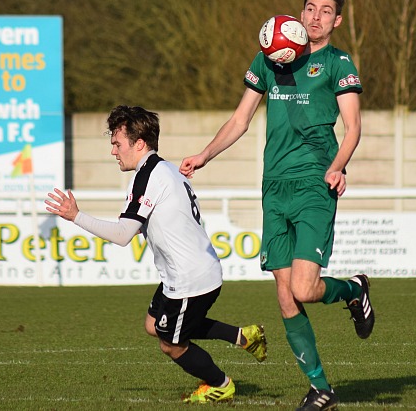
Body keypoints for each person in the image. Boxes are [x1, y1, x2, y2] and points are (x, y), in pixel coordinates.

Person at [180, 0, 374, 410]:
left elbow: (353, 127)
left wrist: (337, 166)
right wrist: (205, 154)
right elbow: (241, 118)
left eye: (326, 12)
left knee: (304, 289)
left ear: (337, 21)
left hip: (314, 184)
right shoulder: (269, 57)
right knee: (286, 297)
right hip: (274, 188)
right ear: (300, 12)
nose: (316, 17)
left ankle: (353, 290)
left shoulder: (336, 63)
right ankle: (321, 388)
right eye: (311, 8)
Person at [45, 105, 267, 404]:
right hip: (186, 273)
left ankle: (221, 384)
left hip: (191, 279)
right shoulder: (162, 167)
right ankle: (243, 336)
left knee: (171, 344)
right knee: (154, 324)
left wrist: (76, 216)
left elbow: (124, 235)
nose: (113, 151)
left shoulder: (147, 176)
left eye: (117, 143)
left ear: (139, 144)